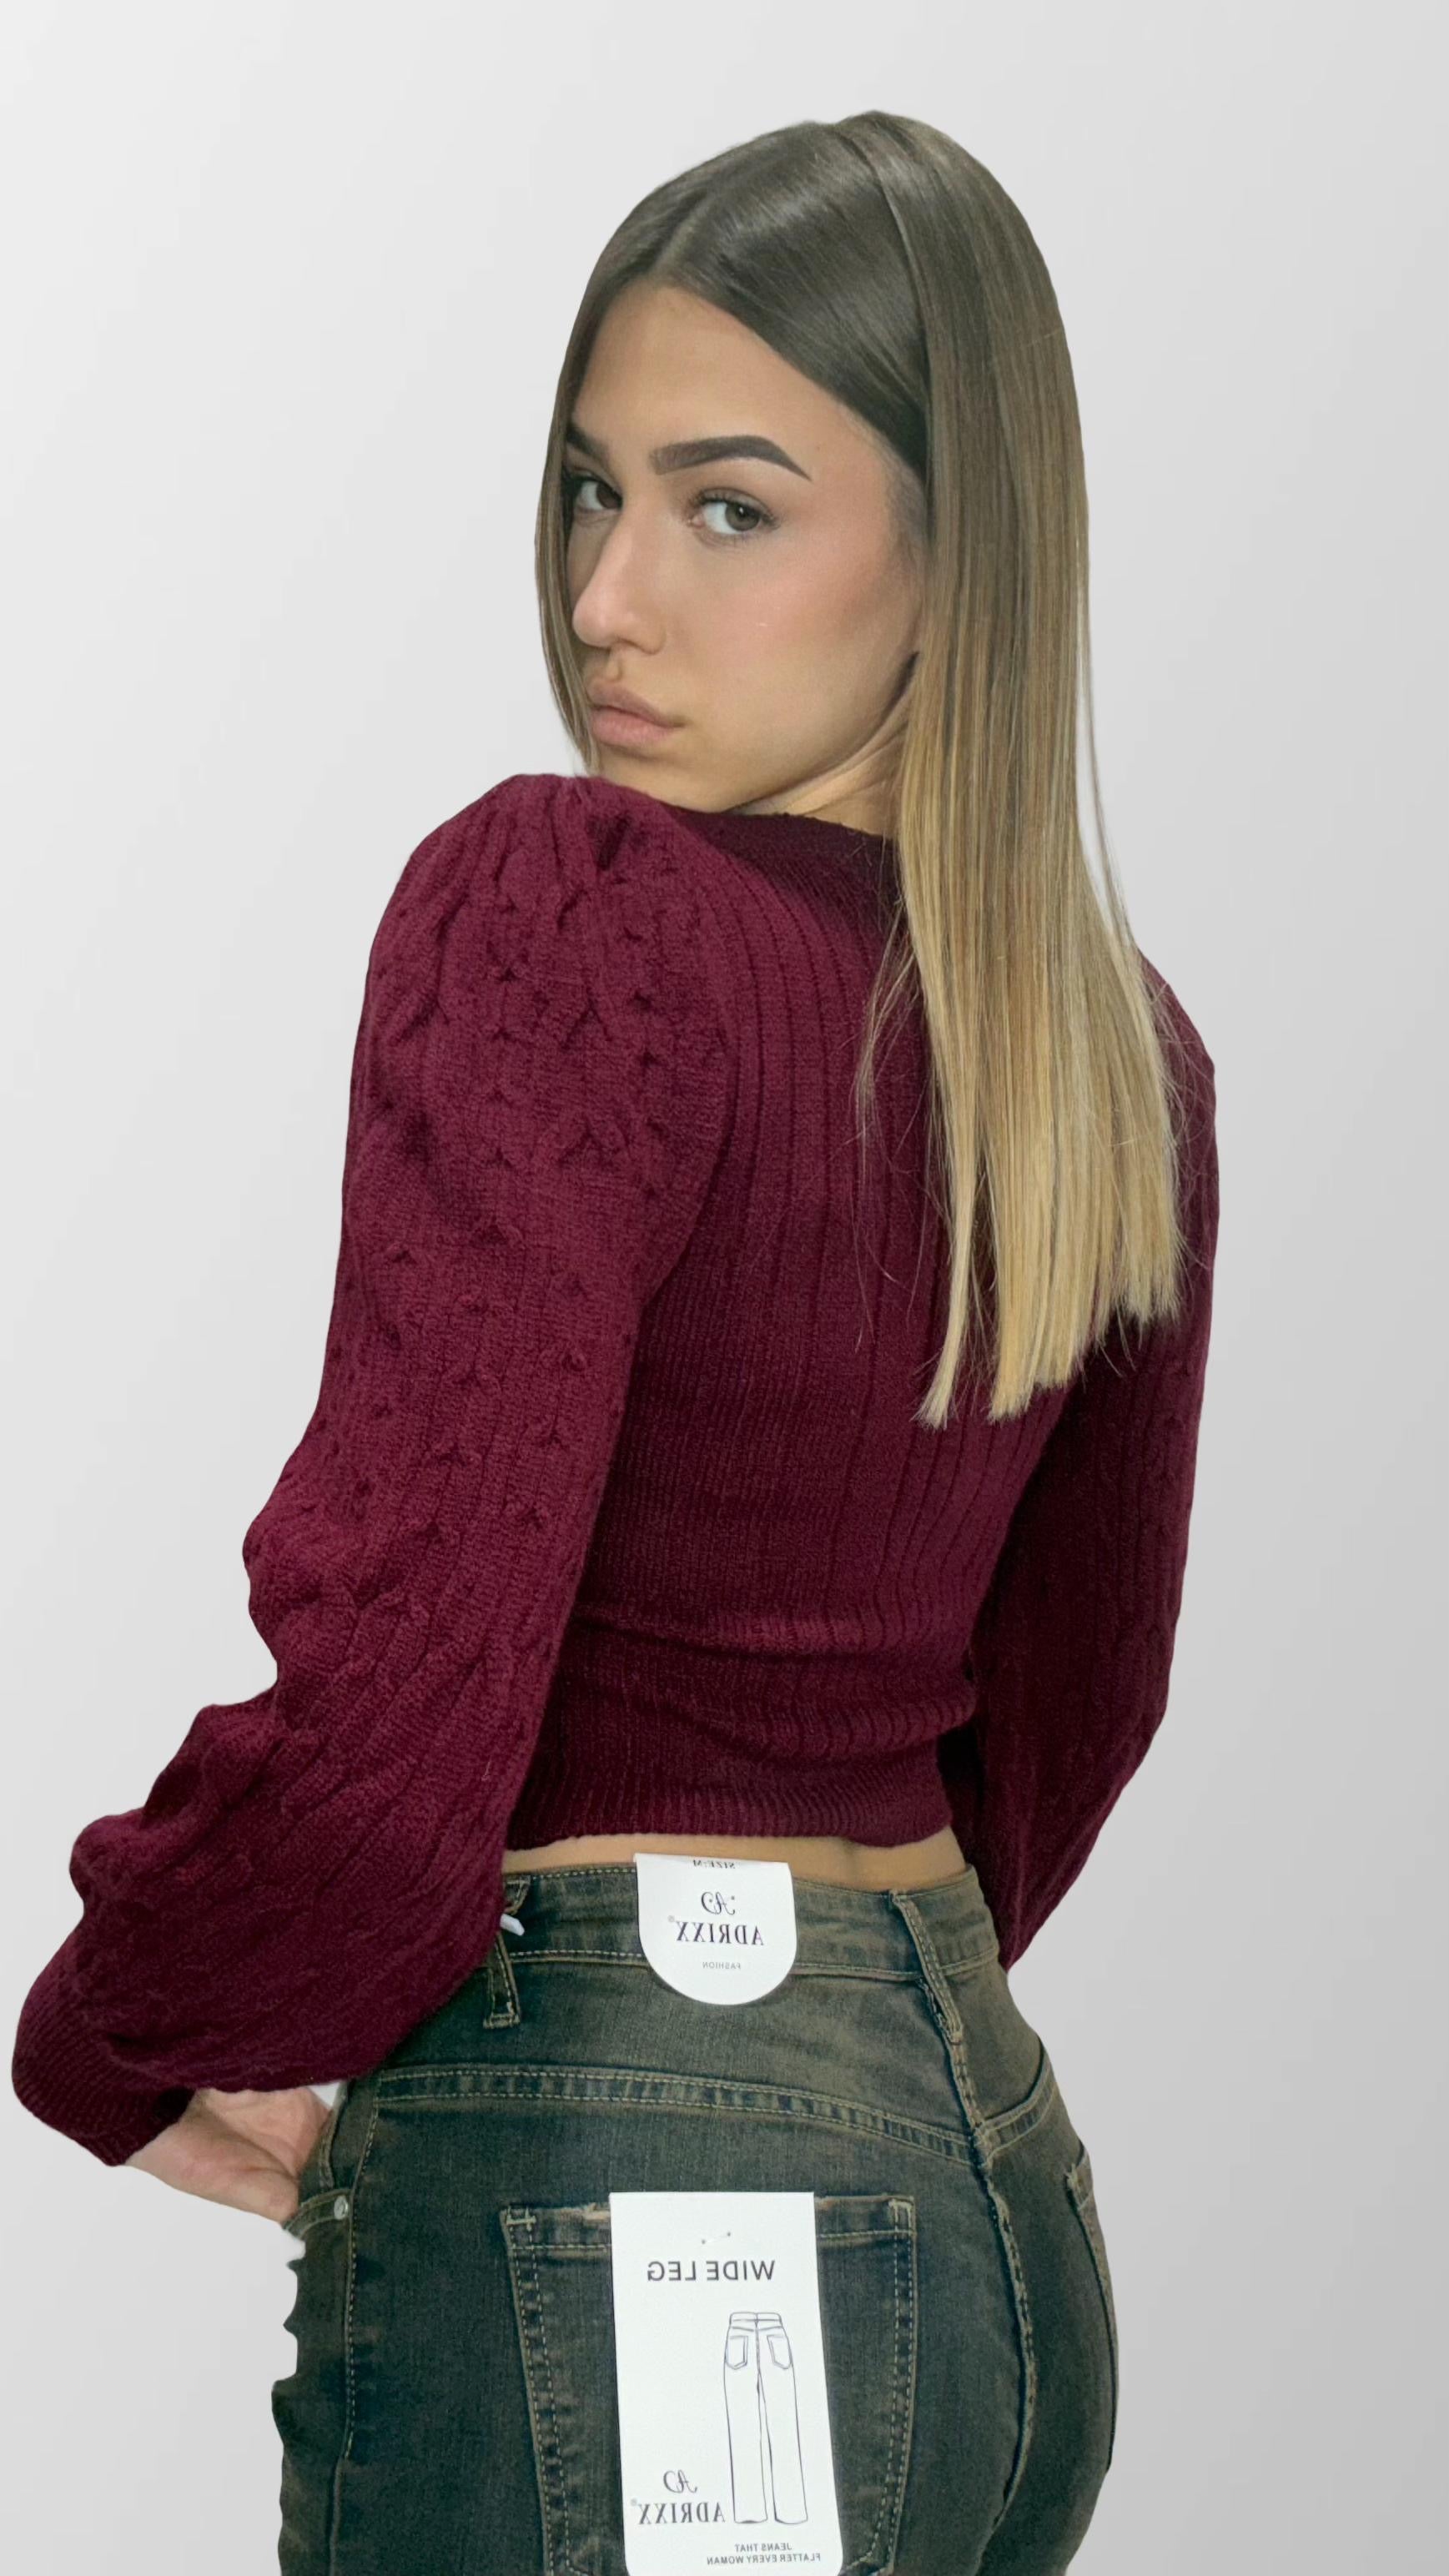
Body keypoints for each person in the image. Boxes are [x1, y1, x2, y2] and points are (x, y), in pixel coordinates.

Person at [10, 112, 1220, 2576]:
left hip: (620, 2178)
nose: (605, 597)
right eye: (588, 491)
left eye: (726, 507)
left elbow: (401, 1676)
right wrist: (840, 2077)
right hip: (989, 2196)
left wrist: (120, 2021)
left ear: (957, 555)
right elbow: (1075, 1712)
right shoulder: (1108, 1052)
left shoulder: (575, 916)